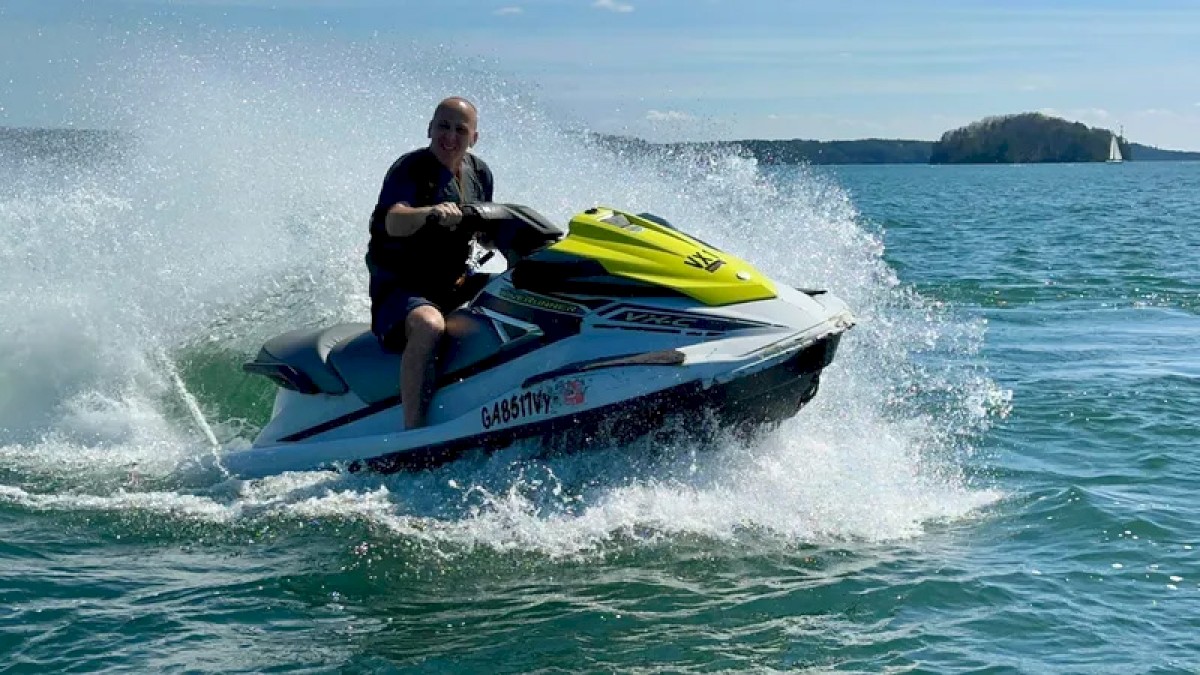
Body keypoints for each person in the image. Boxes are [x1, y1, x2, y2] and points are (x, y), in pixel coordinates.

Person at [366, 96, 495, 430]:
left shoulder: (480, 173)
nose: (450, 136)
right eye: (443, 126)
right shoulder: (411, 169)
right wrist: (431, 214)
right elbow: (393, 220)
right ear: (430, 128)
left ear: (474, 138)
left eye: (460, 129)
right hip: (400, 289)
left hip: (453, 284)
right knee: (430, 324)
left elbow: (484, 232)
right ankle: (413, 430)